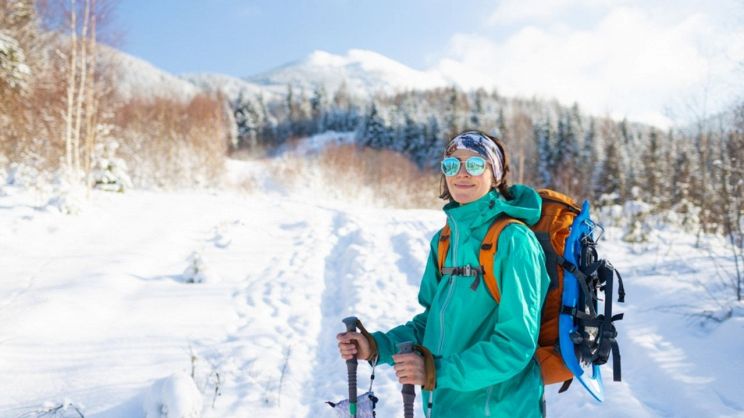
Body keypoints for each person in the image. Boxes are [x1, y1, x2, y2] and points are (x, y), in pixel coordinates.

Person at [337, 130, 551, 417]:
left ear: (496, 175)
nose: (462, 174)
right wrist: (376, 346)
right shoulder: (445, 240)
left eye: (475, 164)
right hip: (444, 406)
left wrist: (435, 371)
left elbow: (515, 345)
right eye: (452, 165)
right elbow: (431, 324)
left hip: (500, 408)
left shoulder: (514, 241)